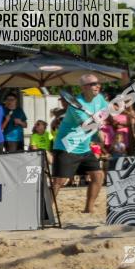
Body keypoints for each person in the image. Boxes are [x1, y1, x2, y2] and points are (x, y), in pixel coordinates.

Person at [51, 74, 109, 214]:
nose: (97, 85)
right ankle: (45, 210)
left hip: (84, 147)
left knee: (98, 176)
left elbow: (105, 113)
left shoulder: (99, 99)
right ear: (84, 87)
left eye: (98, 83)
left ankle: (88, 209)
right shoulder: (75, 105)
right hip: (67, 146)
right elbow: (86, 125)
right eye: (93, 84)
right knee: (60, 181)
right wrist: (98, 128)